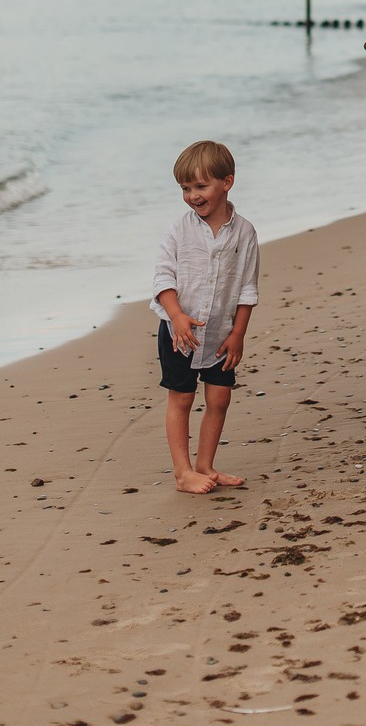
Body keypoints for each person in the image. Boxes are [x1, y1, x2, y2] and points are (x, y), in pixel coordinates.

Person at [151, 140, 260, 494]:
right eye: (185, 188)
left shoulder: (244, 232)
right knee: (181, 398)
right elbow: (163, 278)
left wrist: (238, 334)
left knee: (219, 398)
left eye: (200, 186)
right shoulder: (178, 230)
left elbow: (247, 288)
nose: (192, 196)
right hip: (178, 333)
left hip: (220, 335)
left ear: (226, 182)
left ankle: (205, 466)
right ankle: (183, 473)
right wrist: (176, 315)